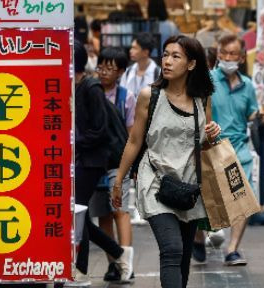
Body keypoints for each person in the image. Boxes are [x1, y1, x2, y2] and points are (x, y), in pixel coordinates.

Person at [112, 35, 221, 288]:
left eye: (176, 56)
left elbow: (202, 145)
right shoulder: (148, 96)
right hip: (154, 182)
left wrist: (211, 135)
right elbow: (134, 141)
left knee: (182, 257)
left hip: (188, 185)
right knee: (171, 249)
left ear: (191, 64)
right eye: (165, 55)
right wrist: (119, 181)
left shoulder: (202, 98)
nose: (167, 61)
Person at [191, 34, 264, 266]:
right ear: (217, 55)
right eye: (223, 54)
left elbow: (251, 114)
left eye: (232, 54)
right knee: (207, 199)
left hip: (238, 149)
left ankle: (232, 249)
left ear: (241, 56)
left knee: (244, 198)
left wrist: (262, 116)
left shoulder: (247, 85)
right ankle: (198, 234)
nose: (227, 58)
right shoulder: (207, 80)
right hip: (212, 148)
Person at [71, 41, 133, 285]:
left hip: (93, 160)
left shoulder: (91, 87)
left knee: (77, 213)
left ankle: (82, 269)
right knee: (80, 216)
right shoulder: (76, 86)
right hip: (83, 159)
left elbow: (100, 130)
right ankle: (118, 254)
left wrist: (75, 141)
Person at [87, 47, 136, 282]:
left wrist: (131, 166)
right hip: (94, 165)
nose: (104, 72)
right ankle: (112, 264)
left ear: (121, 72)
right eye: (101, 66)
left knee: (120, 211)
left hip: (118, 164)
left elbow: (132, 135)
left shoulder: (126, 97)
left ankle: (126, 263)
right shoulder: (90, 92)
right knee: (103, 215)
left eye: (110, 68)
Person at [120, 32, 161, 101]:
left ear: (145, 52)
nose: (130, 51)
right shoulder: (128, 72)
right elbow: (121, 97)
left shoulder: (158, 74)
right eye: (131, 47)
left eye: (134, 48)